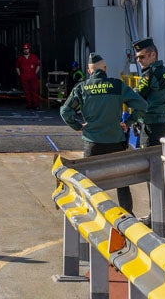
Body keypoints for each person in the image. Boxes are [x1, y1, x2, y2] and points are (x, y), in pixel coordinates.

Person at [60, 53, 147, 211]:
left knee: (90, 184)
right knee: (122, 183)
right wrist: (127, 122)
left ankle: (92, 216)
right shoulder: (117, 85)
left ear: (89, 71)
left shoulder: (82, 88)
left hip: (93, 143)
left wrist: (78, 126)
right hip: (116, 141)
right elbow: (142, 105)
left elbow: (65, 112)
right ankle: (127, 216)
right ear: (105, 69)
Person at [132, 37, 165, 146]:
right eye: (136, 57)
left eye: (141, 57)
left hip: (151, 126)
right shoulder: (162, 71)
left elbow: (135, 96)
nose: (138, 60)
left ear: (153, 55)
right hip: (161, 124)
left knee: (148, 159)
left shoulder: (150, 74)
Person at [16, 43, 42, 109]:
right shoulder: (20, 58)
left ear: (29, 49)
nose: (26, 50)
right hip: (24, 77)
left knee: (34, 91)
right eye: (24, 49)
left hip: (33, 77)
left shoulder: (34, 57)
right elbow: (17, 67)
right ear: (23, 50)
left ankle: (35, 105)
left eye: (27, 49)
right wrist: (20, 75)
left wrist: (35, 73)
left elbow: (38, 65)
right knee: (26, 92)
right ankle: (29, 105)